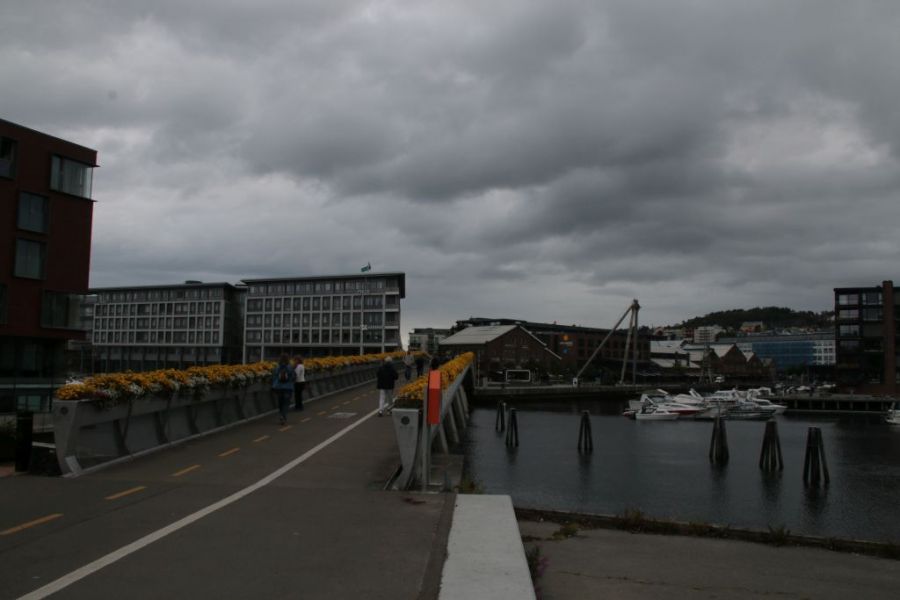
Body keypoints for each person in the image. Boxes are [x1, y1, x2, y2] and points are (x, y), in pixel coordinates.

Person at [271, 354, 295, 425]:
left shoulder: (277, 367)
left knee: (280, 402)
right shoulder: (290, 367)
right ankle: (283, 416)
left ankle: (281, 414)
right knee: (286, 403)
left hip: (278, 387)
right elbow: (293, 376)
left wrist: (274, 385)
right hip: (288, 387)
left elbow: (274, 376)